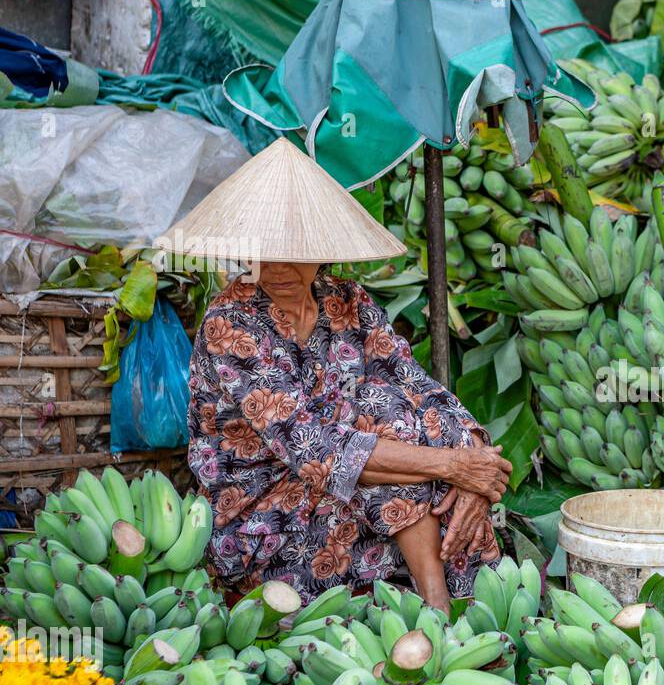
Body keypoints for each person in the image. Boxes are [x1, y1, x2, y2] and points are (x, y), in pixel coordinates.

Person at [167, 139, 511, 611]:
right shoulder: (232, 323)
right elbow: (313, 449)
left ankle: (451, 607)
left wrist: (474, 455)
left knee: (393, 409)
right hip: (267, 514)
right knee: (406, 453)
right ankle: (442, 602)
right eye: (262, 251)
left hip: (352, 483)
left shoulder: (346, 301)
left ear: (322, 248)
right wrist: (453, 468)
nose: (276, 268)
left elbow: (415, 383)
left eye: (295, 251)